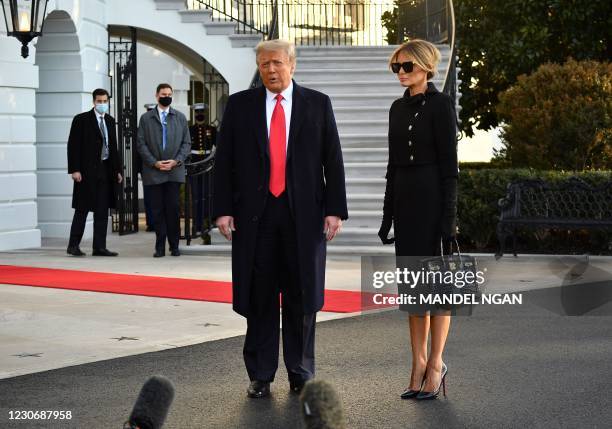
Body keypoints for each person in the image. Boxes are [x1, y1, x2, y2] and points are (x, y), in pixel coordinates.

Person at [213, 39, 348, 398]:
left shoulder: (317, 104)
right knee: (259, 296)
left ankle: (301, 371)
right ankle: (260, 374)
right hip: (254, 217)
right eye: (263, 64)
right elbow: (224, 161)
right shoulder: (240, 106)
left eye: (276, 63)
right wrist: (223, 209)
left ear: (292, 64)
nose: (270, 70)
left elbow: (332, 159)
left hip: (303, 216)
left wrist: (335, 210)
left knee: (301, 295)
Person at [377, 39, 458, 400]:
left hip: (433, 204)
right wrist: (387, 214)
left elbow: (450, 170)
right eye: (396, 67)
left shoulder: (441, 106)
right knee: (413, 293)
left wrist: (449, 220)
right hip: (407, 208)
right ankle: (417, 363)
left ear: (426, 67)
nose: (401, 73)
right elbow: (393, 167)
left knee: (437, 290)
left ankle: (436, 363)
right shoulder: (396, 109)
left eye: (406, 66)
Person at [136, 84, 191, 257]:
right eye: (163, 94)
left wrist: (176, 161)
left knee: (173, 210)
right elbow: (141, 144)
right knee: (157, 210)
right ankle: (159, 246)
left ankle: (174, 245)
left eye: (169, 94)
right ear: (156, 95)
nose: (166, 96)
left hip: (174, 172)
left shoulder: (180, 117)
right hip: (154, 172)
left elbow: (186, 143)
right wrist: (154, 163)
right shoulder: (146, 119)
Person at [67, 88, 123, 257]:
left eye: (105, 101)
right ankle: (73, 245)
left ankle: (99, 247)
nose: (102, 104)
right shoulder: (81, 120)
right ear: (93, 102)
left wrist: (117, 170)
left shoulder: (110, 121)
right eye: (99, 101)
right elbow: (73, 146)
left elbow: (113, 147)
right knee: (82, 209)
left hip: (105, 170)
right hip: (86, 172)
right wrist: (75, 169)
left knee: (102, 210)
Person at [188, 103, 216, 244]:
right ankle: (196, 225)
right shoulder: (190, 129)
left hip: (207, 165)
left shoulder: (211, 129)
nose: (200, 114)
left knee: (207, 196)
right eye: (198, 112)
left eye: (202, 112)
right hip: (194, 165)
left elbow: (217, 146)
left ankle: (207, 224)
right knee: (196, 197)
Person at [141, 103, 158, 232]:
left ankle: (158, 221)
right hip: (147, 167)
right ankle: (151, 222)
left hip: (161, 166)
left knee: (159, 197)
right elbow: (139, 148)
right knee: (148, 196)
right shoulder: (142, 126)